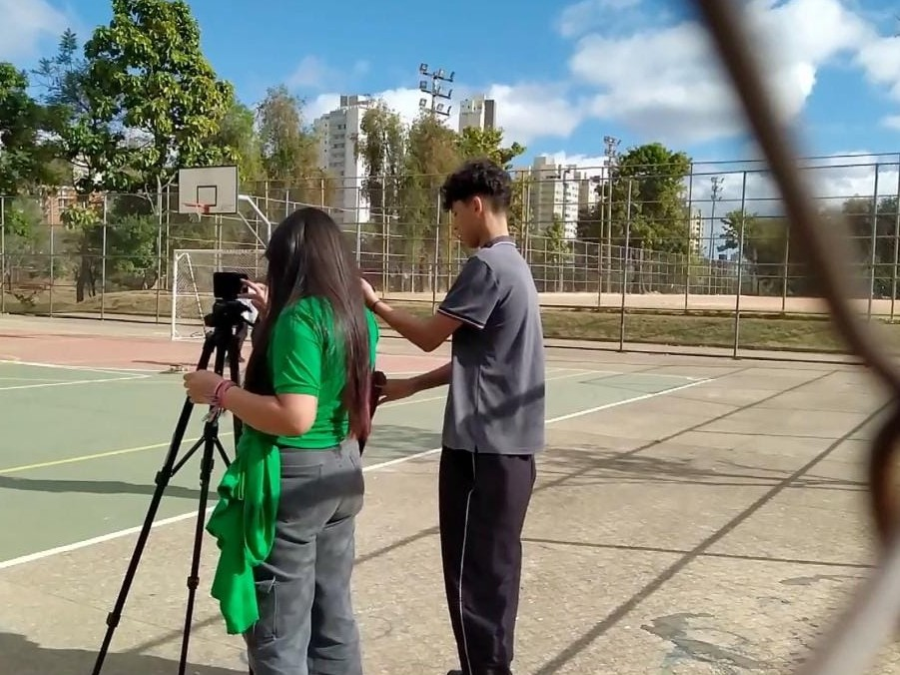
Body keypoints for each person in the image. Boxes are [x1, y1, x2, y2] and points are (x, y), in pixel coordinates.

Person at [361, 158, 546, 675]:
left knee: (470, 575)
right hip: (512, 451)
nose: (455, 226)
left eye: (455, 214)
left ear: (476, 205)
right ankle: (488, 668)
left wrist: (374, 303)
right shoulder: (517, 267)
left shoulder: (486, 266)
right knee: (496, 571)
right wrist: (412, 387)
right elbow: (480, 359)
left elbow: (426, 335)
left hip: (480, 451)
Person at [184, 206, 379, 675]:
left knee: (280, 628)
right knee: (333, 615)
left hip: (295, 477)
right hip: (342, 468)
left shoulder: (300, 321)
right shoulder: (357, 317)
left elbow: (294, 417)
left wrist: (220, 390)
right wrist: (275, 315)